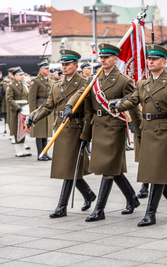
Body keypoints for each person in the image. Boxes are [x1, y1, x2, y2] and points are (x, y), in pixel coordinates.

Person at [108, 44, 167, 226]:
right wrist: (117, 105)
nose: (151, 62)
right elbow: (133, 99)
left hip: (164, 133)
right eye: (149, 59)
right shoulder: (143, 84)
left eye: (155, 59)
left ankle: (150, 213)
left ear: (164, 62)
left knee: (156, 174)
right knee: (156, 172)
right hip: (148, 131)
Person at [63, 44, 142, 222]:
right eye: (101, 57)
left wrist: (137, 128)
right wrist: (70, 106)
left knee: (108, 169)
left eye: (107, 57)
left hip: (115, 126)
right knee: (112, 168)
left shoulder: (124, 80)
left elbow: (133, 104)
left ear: (115, 59)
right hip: (98, 126)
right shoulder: (94, 79)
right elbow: (82, 94)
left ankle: (99, 209)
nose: (103, 60)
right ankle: (132, 198)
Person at [26, 49, 96, 218]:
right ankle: (88, 194)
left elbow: (89, 111)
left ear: (75, 66)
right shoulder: (57, 85)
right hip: (61, 129)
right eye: (63, 64)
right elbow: (48, 106)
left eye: (67, 64)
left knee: (68, 168)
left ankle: (61, 207)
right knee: (70, 167)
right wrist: (33, 117)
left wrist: (87, 134)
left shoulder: (84, 83)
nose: (64, 67)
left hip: (76, 129)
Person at [28, 59, 54, 161]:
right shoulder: (36, 81)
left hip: (47, 109)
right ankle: (40, 153)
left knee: (46, 133)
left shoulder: (50, 80)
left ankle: (45, 152)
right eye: (46, 68)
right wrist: (33, 113)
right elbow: (31, 98)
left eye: (48, 68)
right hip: (39, 108)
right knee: (39, 133)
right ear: (41, 69)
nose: (48, 70)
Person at [6, 67, 31, 157]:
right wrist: (17, 108)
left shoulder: (24, 85)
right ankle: (18, 150)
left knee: (23, 129)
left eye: (22, 75)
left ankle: (22, 148)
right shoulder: (11, 86)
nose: (22, 76)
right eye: (20, 75)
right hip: (17, 111)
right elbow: (9, 99)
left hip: (25, 109)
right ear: (14, 76)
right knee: (17, 129)